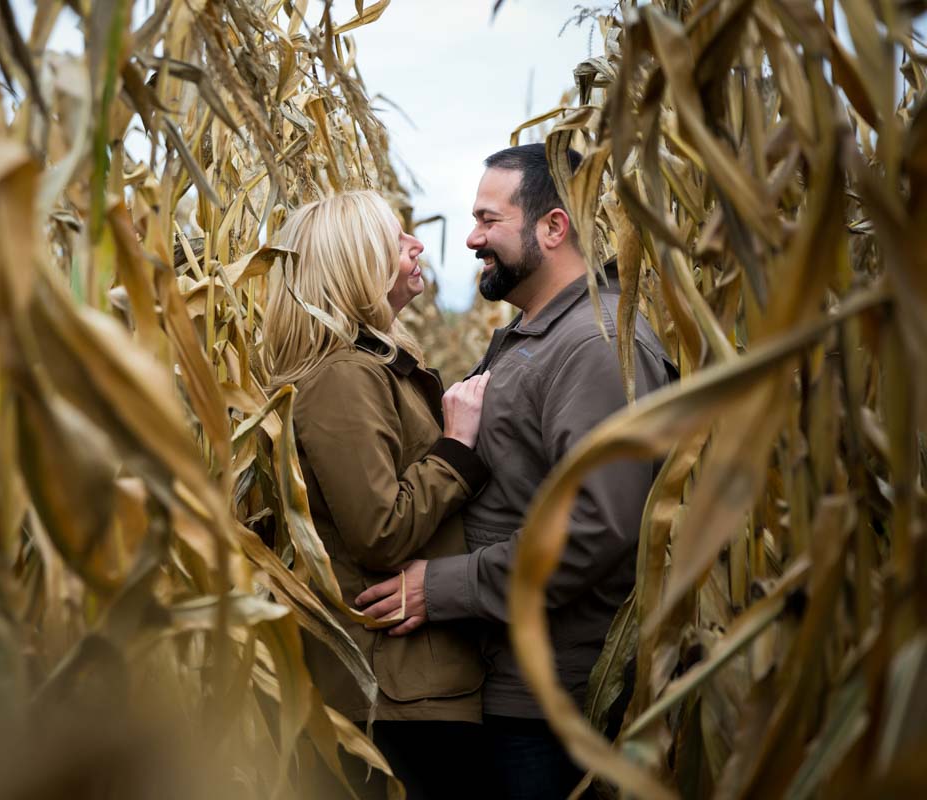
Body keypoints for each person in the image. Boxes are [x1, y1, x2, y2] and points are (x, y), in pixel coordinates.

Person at [356, 144, 676, 799]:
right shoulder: (535, 336)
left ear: (553, 227)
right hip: (503, 692)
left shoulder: (594, 346)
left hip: (548, 709)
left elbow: (595, 526)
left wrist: (437, 588)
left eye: (487, 219)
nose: (471, 238)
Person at [262, 190, 492, 800]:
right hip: (394, 698)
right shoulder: (344, 375)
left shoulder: (369, 368)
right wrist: (457, 450)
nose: (418, 246)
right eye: (396, 239)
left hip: (408, 690)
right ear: (355, 261)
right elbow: (379, 531)